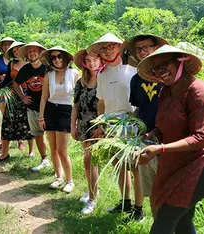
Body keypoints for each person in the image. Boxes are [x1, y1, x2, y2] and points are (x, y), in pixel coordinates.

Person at [137, 45, 204, 234]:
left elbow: (200, 138)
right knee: (182, 222)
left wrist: (161, 149)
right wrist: (152, 134)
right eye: (156, 68)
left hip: (197, 167)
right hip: (173, 164)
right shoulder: (165, 92)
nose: (161, 71)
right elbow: (165, 125)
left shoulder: (197, 91)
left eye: (165, 64)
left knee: (163, 222)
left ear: (180, 61)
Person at [87, 33, 137, 215]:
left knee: (136, 167)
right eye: (103, 48)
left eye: (111, 46)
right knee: (119, 165)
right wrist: (101, 124)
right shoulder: (102, 74)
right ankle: (125, 202)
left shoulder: (133, 69)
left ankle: (138, 209)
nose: (108, 51)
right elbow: (101, 101)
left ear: (119, 47)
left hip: (133, 123)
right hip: (112, 125)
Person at [120, 34, 168, 221]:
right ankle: (158, 224)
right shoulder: (136, 80)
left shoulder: (167, 76)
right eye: (138, 49)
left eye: (146, 47)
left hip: (169, 137)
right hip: (146, 137)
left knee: (168, 186)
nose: (142, 52)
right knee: (151, 186)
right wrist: (125, 126)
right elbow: (140, 107)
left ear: (156, 48)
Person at [38, 46, 79, 193]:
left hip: (66, 111)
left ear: (66, 58)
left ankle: (70, 180)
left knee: (62, 151)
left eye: (59, 56)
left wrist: (77, 118)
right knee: (53, 149)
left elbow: (79, 97)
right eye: (53, 57)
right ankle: (58, 177)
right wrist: (41, 117)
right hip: (50, 110)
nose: (56, 59)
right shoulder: (49, 75)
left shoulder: (74, 74)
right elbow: (44, 97)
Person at [0, 41, 35, 163]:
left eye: (18, 49)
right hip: (12, 97)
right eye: (14, 50)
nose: (16, 52)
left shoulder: (30, 63)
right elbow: (6, 81)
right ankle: (4, 154)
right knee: (7, 123)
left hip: (28, 97)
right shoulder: (11, 64)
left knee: (28, 124)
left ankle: (31, 151)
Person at [71, 49, 101, 213]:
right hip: (83, 124)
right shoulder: (81, 81)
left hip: (98, 126)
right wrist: (72, 125)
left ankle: (92, 199)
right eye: (88, 60)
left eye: (95, 60)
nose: (92, 63)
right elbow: (76, 105)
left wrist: (101, 125)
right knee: (88, 161)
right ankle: (93, 189)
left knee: (91, 160)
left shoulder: (104, 79)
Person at [14, 42, 50, 172]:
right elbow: (16, 83)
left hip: (50, 107)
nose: (32, 53)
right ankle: (44, 159)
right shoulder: (25, 69)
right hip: (33, 107)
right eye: (29, 52)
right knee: (38, 135)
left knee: (53, 136)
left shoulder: (48, 67)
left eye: (34, 51)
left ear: (40, 52)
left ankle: (59, 166)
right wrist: (23, 97)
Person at [0, 37, 17, 149]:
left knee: (16, 115)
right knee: (5, 115)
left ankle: (19, 139)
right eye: (4, 45)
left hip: (16, 90)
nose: (6, 46)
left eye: (9, 44)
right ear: (2, 47)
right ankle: (4, 139)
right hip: (2, 90)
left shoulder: (17, 59)